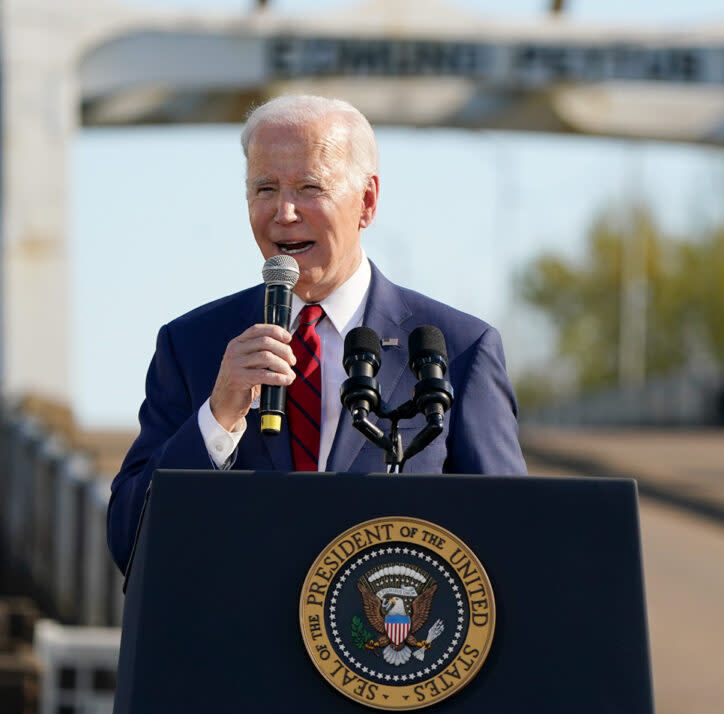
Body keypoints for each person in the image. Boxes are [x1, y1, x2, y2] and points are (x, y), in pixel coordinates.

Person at [106, 94, 527, 573]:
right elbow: (127, 541)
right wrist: (217, 419)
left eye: (309, 187)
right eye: (265, 189)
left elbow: (509, 542)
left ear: (366, 202)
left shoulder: (459, 348)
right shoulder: (191, 346)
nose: (284, 212)